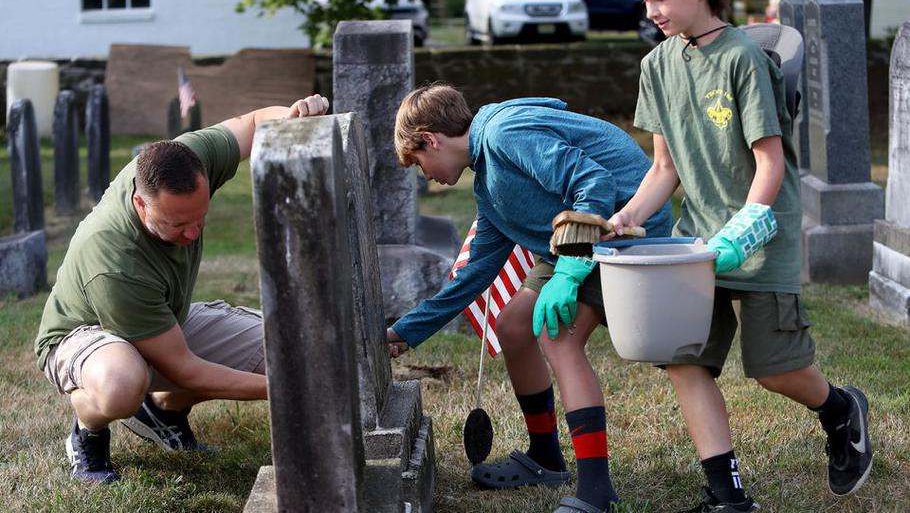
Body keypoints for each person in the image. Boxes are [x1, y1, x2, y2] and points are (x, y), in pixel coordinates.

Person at [605, 0, 873, 510]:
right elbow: (664, 167)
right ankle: (728, 496)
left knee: (777, 370)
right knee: (686, 360)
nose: (651, 10)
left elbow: (770, 162)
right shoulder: (656, 66)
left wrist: (742, 231)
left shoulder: (743, 59)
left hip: (758, 239)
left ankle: (841, 410)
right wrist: (627, 217)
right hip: (696, 240)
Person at [386, 83, 673, 513]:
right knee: (513, 327)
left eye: (418, 161)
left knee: (557, 335)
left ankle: (597, 491)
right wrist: (404, 332)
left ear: (430, 138)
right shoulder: (488, 188)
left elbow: (593, 181)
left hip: (620, 227)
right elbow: (473, 276)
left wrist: (572, 270)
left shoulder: (506, 133)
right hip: (569, 238)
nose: (424, 174)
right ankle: (545, 457)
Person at [34, 94, 331, 483]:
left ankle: (162, 410)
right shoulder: (113, 260)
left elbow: (255, 121)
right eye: (177, 225)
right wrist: (289, 390)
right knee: (123, 383)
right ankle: (88, 434)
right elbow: (187, 369)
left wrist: (293, 117)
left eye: (201, 217)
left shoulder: (186, 159)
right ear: (141, 205)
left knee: (288, 346)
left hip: (160, 320)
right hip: (84, 335)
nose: (193, 233)